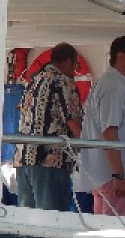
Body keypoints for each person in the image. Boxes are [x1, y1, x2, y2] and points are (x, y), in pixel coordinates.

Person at [13, 42, 84, 211]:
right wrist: (86, 154)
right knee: (52, 219)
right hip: (50, 162)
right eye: (75, 65)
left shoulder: (33, 81)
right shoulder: (64, 82)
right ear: (68, 61)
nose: (75, 70)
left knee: (27, 219)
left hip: (23, 159)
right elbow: (74, 123)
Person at [77, 36, 125, 216]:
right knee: (117, 227)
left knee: (103, 227)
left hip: (103, 176)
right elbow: (110, 132)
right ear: (120, 56)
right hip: (112, 177)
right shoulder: (113, 86)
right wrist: (118, 175)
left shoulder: (108, 83)